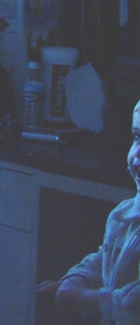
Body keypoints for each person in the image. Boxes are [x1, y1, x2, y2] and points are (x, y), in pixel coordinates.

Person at [35, 98, 140, 324]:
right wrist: (74, 281)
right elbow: (105, 260)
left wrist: (82, 299)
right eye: (137, 137)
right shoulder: (124, 215)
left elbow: (132, 305)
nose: (138, 153)